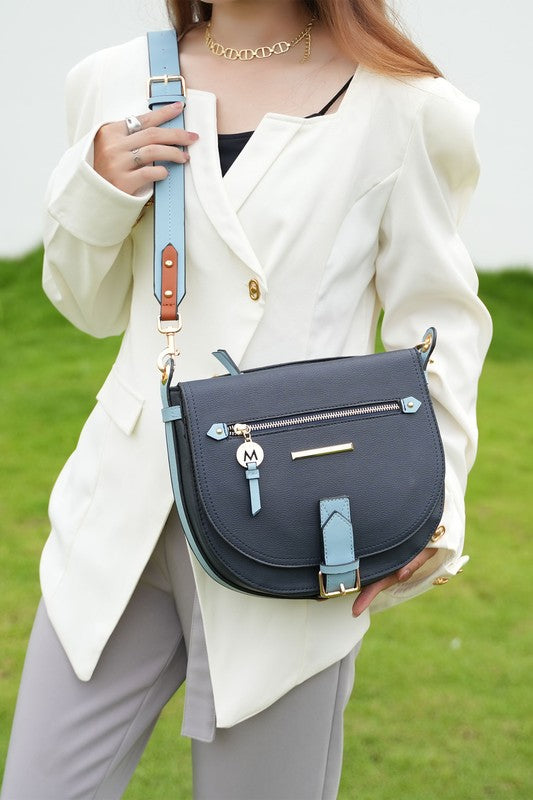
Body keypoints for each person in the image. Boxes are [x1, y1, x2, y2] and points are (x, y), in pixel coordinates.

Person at [1, 1, 493, 798]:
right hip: (120, 518)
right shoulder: (113, 80)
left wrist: (432, 510)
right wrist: (97, 187)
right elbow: (86, 306)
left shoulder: (403, 105)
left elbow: (440, 325)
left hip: (302, 521)